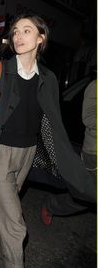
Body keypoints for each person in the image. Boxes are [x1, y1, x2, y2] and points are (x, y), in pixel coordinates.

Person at [0, 14, 95, 268]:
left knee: (1, 204)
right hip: (0, 152)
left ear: (40, 39)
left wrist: (60, 160)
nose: (20, 35)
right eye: (16, 31)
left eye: (27, 30)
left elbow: (52, 123)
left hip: (27, 154)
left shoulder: (48, 79)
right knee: (15, 219)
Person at [40, 78, 96, 225]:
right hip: (94, 153)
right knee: (87, 194)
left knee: (88, 196)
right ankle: (53, 204)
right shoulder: (95, 85)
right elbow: (89, 118)